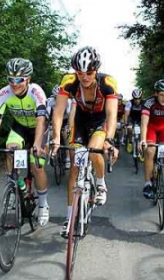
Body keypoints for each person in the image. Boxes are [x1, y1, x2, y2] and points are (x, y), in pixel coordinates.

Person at [50, 46, 119, 235]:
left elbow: (112, 114)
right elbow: (58, 111)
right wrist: (56, 137)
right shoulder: (69, 81)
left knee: (94, 150)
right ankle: (69, 218)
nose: (84, 77)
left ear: (96, 70)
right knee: (74, 163)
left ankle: (101, 182)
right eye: (80, 73)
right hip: (80, 121)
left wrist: (110, 140)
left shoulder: (107, 82)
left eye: (89, 72)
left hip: (99, 121)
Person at [0, 57, 50, 226]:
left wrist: (37, 144)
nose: (14, 83)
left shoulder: (36, 92)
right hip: (19, 128)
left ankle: (43, 205)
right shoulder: (4, 93)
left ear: (28, 79)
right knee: (11, 150)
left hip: (39, 129)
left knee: (36, 165)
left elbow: (41, 120)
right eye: (11, 79)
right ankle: (15, 187)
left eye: (19, 79)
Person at [46, 84, 73, 169]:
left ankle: (68, 158)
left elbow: (69, 115)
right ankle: (48, 154)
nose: (58, 100)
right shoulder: (50, 101)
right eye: (56, 98)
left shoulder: (68, 101)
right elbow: (47, 114)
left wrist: (68, 126)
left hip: (65, 120)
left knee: (66, 136)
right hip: (53, 120)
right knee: (49, 134)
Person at [124, 88, 143, 153]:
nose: (137, 100)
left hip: (140, 119)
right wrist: (125, 123)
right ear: (133, 98)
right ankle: (130, 142)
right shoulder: (129, 103)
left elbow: (146, 115)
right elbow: (126, 114)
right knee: (129, 129)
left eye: (139, 98)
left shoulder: (144, 103)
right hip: (132, 119)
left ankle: (141, 145)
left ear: (141, 97)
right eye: (135, 98)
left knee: (143, 130)